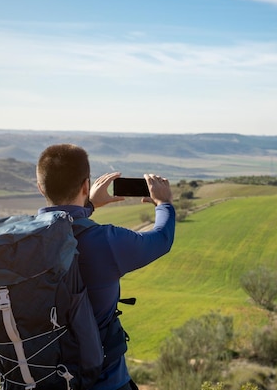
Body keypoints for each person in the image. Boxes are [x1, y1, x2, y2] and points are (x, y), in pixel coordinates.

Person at [36, 143, 175, 390]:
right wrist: (163, 203)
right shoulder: (106, 242)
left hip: (40, 379)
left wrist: (88, 207)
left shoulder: (24, 242)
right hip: (104, 381)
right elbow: (161, 240)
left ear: (40, 187)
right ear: (86, 186)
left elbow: (63, 221)